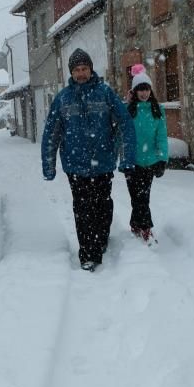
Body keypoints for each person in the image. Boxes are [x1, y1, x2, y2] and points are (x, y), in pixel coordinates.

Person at [42, 48, 136, 271]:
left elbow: (125, 125)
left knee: (103, 205)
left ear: (91, 69)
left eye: (84, 68)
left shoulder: (105, 93)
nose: (81, 73)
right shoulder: (63, 99)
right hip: (75, 166)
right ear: (71, 73)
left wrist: (127, 158)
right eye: (77, 70)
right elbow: (51, 133)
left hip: (103, 163)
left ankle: (101, 238)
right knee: (82, 209)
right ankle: (88, 253)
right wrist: (49, 164)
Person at [124, 64, 168, 244]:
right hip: (131, 161)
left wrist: (162, 159)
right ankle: (138, 224)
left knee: (143, 196)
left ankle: (144, 228)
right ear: (134, 92)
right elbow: (117, 127)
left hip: (149, 161)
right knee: (136, 197)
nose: (144, 93)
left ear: (150, 90)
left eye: (146, 89)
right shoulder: (129, 110)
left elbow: (162, 136)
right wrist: (125, 103)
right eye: (140, 90)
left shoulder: (158, 110)